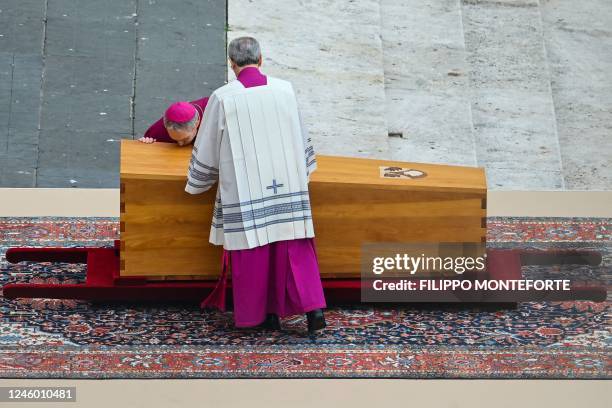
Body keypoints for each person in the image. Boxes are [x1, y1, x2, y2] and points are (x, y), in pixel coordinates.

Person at [185, 36, 326, 334]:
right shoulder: (285, 89)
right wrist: (304, 170)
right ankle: (314, 311)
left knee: (254, 251)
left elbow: (208, 146)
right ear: (261, 60)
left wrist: (197, 182)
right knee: (293, 247)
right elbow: (300, 135)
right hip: (286, 180)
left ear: (232, 64)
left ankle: (262, 316)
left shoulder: (223, 97)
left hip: (246, 185)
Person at [138, 99, 208, 146]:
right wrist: (146, 142)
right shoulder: (158, 130)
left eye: (185, 139)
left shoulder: (213, 113)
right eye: (174, 139)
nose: (180, 144)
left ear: (196, 123)